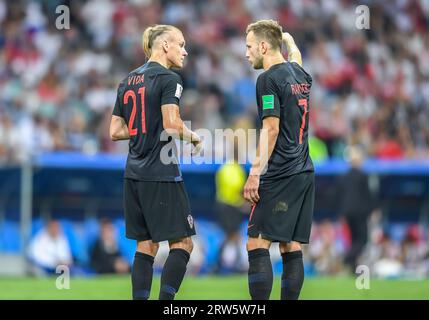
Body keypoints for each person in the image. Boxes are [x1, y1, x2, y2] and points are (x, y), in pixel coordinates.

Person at [109, 24, 202, 300]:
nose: (185, 51)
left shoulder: (128, 80)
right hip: (160, 172)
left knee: (145, 245)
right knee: (183, 243)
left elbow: (115, 131)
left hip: (133, 174)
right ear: (164, 46)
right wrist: (194, 137)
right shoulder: (169, 79)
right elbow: (172, 125)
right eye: (181, 45)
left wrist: (144, 125)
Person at [243, 20, 314, 300]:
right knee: (290, 246)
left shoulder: (268, 79)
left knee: (256, 242)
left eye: (249, 46)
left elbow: (271, 128)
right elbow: (295, 57)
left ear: (263, 46)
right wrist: (290, 41)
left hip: (281, 171)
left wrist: (255, 173)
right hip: (304, 171)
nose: (246, 53)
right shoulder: (300, 74)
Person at [336, 146, 375, 272]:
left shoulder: (343, 177)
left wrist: (341, 212)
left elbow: (338, 196)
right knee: (362, 239)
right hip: (360, 212)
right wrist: (373, 210)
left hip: (347, 212)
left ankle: (353, 268)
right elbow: (367, 194)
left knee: (353, 239)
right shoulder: (363, 176)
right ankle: (347, 258)